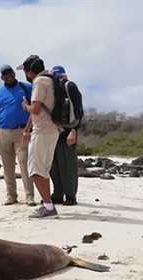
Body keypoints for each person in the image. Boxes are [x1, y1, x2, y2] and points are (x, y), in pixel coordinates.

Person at [17, 55, 60, 218]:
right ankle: (47, 204)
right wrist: (27, 129)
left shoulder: (39, 82)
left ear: (29, 71)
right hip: (53, 129)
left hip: (42, 130)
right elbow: (42, 108)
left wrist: (25, 106)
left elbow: (35, 109)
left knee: (35, 170)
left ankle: (48, 207)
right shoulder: (51, 79)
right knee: (44, 170)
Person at [0, 65, 36, 206]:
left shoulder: (26, 87)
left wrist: (31, 128)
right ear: (1, 77)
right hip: (3, 133)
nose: (8, 76)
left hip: (22, 131)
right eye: (5, 74)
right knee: (7, 166)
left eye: (10, 73)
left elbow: (35, 107)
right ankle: (11, 196)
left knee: (24, 164)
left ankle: (29, 196)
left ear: (14, 73)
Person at [50, 65, 83, 206]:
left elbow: (79, 110)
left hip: (68, 131)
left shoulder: (70, 86)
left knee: (68, 166)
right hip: (54, 131)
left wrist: (74, 131)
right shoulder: (53, 90)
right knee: (54, 165)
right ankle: (57, 194)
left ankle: (70, 196)